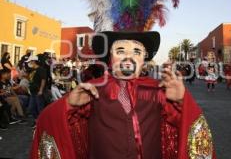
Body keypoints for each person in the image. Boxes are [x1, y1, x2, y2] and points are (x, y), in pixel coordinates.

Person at [31, 31, 216, 159]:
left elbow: (186, 125)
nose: (129, 57)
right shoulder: (92, 89)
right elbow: (48, 122)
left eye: (136, 51)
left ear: (143, 59)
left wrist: (182, 102)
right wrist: (68, 104)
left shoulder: (158, 90)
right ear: (110, 58)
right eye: (121, 51)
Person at [27, 55, 47, 127]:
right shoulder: (32, 70)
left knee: (40, 108)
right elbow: (32, 80)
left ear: (33, 61)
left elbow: (43, 80)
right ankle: (37, 120)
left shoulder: (41, 69)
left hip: (38, 92)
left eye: (29, 61)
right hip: (33, 92)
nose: (28, 63)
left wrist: (41, 90)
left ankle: (42, 123)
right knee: (31, 108)